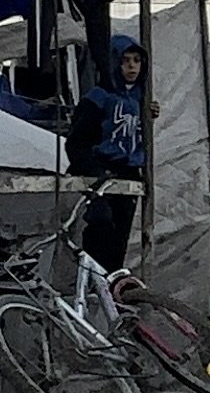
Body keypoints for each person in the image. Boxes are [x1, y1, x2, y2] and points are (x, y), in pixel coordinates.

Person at [62, 34, 147, 273]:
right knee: (100, 225)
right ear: (114, 63)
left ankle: (110, 286)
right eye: (125, 60)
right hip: (100, 171)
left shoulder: (142, 99)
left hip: (129, 174)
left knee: (121, 237)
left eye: (137, 60)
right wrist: (92, 169)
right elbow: (76, 142)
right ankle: (92, 279)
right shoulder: (97, 98)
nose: (132, 66)